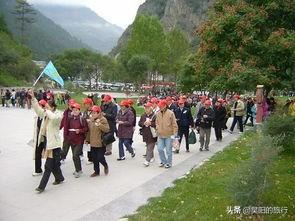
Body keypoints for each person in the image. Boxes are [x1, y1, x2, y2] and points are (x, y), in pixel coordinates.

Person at [28, 90, 64, 194]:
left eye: (47, 107)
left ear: (52, 108)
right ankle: (60, 178)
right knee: (54, 165)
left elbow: (52, 117)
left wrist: (47, 110)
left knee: (48, 166)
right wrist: (33, 98)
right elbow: (38, 110)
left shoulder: (58, 115)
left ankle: (41, 187)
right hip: (47, 144)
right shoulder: (46, 114)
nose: (45, 109)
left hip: (54, 145)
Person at [85, 105, 110, 177]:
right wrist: (87, 140)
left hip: (101, 142)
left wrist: (99, 124)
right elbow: (89, 131)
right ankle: (96, 171)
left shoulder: (103, 119)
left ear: (99, 113)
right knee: (94, 158)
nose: (93, 114)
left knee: (100, 157)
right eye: (92, 113)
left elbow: (107, 129)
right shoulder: (91, 120)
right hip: (93, 142)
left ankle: (105, 165)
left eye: (95, 113)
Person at [65, 103, 88, 178]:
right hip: (72, 140)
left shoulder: (82, 119)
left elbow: (86, 129)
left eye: (76, 110)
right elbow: (67, 128)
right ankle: (77, 169)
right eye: (73, 110)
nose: (74, 111)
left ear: (79, 110)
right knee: (74, 156)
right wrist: (67, 137)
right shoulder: (70, 118)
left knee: (75, 155)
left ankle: (79, 170)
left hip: (79, 140)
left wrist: (80, 130)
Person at [156, 100, 178, 168]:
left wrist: (175, 134)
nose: (159, 107)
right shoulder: (158, 113)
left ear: (165, 106)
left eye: (161, 106)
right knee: (160, 149)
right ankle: (163, 161)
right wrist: (157, 128)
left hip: (169, 135)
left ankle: (169, 163)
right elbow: (157, 122)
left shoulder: (170, 113)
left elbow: (174, 124)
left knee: (168, 151)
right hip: (160, 135)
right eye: (159, 106)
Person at [32, 99, 47, 176]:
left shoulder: (47, 115)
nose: (39, 108)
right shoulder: (37, 116)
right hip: (38, 138)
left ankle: (53, 168)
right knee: (37, 153)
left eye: (41, 106)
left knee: (49, 154)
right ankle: (38, 170)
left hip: (45, 138)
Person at [138, 102, 157, 167]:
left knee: (149, 147)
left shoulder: (155, 115)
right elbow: (139, 123)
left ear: (151, 109)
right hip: (145, 133)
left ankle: (147, 161)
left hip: (152, 134)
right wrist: (143, 123)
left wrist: (150, 123)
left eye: (148, 108)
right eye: (145, 108)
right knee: (148, 145)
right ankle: (152, 157)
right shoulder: (143, 115)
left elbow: (157, 124)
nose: (146, 109)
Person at [82, 98, 94, 164]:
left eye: (85, 104)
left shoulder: (94, 110)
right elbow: (83, 118)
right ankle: (90, 159)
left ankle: (93, 158)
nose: (84, 105)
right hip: (86, 130)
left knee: (93, 145)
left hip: (93, 130)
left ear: (89, 104)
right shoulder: (85, 111)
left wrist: (90, 120)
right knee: (87, 144)